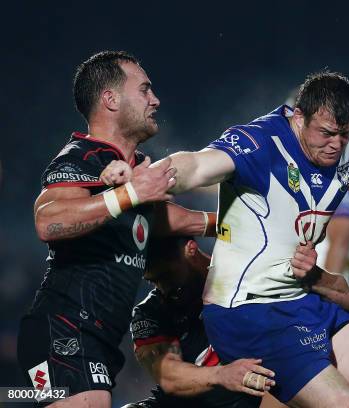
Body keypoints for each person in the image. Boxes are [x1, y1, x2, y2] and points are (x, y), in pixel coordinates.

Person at [103, 71, 349, 407]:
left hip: (305, 295)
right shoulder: (259, 143)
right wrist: (144, 178)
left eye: (344, 133)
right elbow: (195, 165)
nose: (336, 144)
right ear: (299, 117)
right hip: (249, 311)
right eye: (326, 133)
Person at [17, 51, 212, 408]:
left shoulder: (134, 171)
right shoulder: (83, 155)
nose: (155, 100)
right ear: (110, 99)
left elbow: (185, 221)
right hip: (63, 330)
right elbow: (48, 222)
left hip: (97, 341)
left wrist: (241, 226)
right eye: (145, 90)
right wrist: (131, 193)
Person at [121, 233, 349, 408]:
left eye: (166, 276)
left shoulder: (247, 273)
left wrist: (310, 276)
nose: (164, 288)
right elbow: (168, 375)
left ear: (190, 249)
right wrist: (222, 376)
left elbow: (348, 300)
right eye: (154, 281)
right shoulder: (151, 312)